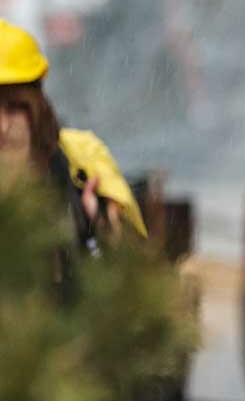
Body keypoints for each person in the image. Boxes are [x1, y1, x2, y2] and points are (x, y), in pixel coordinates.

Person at [0, 19, 146, 261]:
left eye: (16, 107)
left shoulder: (83, 167)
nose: (2, 127)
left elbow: (134, 280)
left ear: (38, 112)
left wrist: (96, 239)